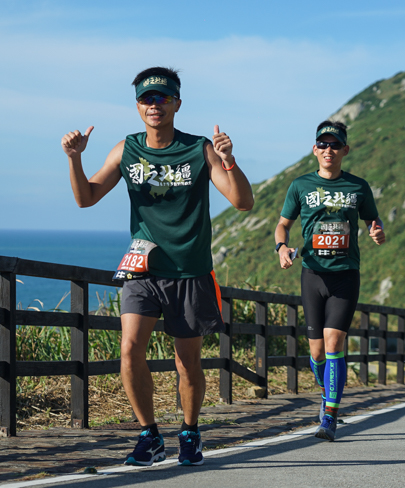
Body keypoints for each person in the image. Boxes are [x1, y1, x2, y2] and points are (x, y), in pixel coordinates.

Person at [61, 67, 254, 466]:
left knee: (188, 363)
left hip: (190, 270)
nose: (154, 105)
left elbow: (242, 202)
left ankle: (189, 431)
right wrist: (75, 160)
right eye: (147, 99)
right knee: (129, 350)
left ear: (177, 104)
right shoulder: (126, 149)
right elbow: (86, 197)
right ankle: (149, 435)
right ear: (137, 106)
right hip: (142, 269)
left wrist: (229, 161)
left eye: (163, 98)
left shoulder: (199, 149)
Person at [274, 120, 385, 441]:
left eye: (334, 145)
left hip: (345, 276)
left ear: (345, 150)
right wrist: (282, 247)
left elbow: (372, 220)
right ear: (314, 150)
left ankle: (330, 417)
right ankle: (326, 392)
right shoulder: (300, 186)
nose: (328, 150)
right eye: (322, 144)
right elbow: (282, 224)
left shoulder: (358, 187)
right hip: (312, 275)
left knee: (335, 343)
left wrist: (376, 231)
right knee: (317, 352)